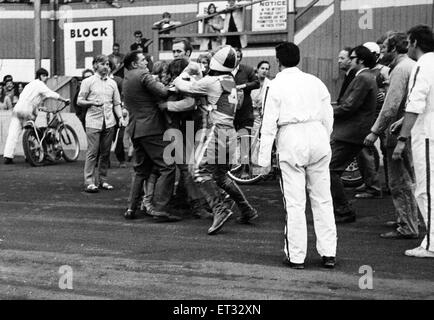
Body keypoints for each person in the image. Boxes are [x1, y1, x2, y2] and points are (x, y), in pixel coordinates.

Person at [257, 42, 336, 269]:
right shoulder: (315, 82)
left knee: (295, 202)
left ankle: (297, 256)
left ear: (278, 61)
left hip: (291, 139)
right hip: (317, 136)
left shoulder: (275, 85)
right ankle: (329, 252)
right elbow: (328, 115)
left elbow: (268, 124)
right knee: (322, 199)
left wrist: (263, 161)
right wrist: (324, 137)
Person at [174, 45, 258, 235]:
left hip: (215, 130)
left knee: (197, 170)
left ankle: (219, 209)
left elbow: (182, 85)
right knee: (221, 176)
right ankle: (246, 209)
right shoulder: (230, 80)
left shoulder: (211, 81)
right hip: (229, 131)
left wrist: (187, 71)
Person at [364, 32, 419, 239]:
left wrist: (374, 131)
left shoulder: (400, 69)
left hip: (398, 132)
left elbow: (391, 106)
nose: (381, 53)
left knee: (399, 181)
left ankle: (407, 226)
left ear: (394, 49)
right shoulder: (413, 66)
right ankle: (407, 220)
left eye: (385, 48)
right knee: (409, 178)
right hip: (411, 129)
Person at [122, 50, 180, 223]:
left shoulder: (126, 79)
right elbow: (162, 92)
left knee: (140, 170)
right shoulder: (143, 75)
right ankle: (161, 208)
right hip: (151, 128)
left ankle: (131, 207)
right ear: (134, 63)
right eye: (143, 60)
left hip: (135, 129)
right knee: (168, 166)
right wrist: (174, 85)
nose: (147, 63)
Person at [392, 25, 434, 258]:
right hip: (429, 126)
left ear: (415, 42)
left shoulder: (423, 64)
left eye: (408, 42)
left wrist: (401, 139)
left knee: (425, 190)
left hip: (427, 134)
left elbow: (416, 102)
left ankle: (432, 244)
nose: (407, 47)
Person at [330, 45, 378, 223]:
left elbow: (349, 106)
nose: (349, 59)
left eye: (352, 57)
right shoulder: (366, 77)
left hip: (350, 133)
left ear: (361, 60)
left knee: (330, 170)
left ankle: (343, 210)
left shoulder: (363, 78)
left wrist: (327, 111)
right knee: (332, 170)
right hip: (353, 132)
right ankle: (341, 209)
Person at [77, 55, 125, 193]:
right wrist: (92, 102)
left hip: (109, 122)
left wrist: (120, 117)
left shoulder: (112, 83)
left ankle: (102, 180)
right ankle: (89, 181)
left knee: (105, 153)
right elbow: (80, 101)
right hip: (93, 121)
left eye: (108, 64)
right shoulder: (88, 81)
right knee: (92, 153)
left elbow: (116, 103)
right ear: (95, 65)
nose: (106, 67)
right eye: (103, 64)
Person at [3, 68, 69, 164]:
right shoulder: (39, 84)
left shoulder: (29, 85)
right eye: (45, 76)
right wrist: (64, 100)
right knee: (32, 133)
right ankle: (30, 155)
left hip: (18, 108)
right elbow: (50, 94)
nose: (46, 78)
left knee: (13, 133)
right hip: (28, 109)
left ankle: (8, 156)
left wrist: (40, 108)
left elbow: (32, 98)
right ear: (41, 76)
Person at [250, 60, 271, 134]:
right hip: (250, 113)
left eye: (266, 69)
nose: (264, 71)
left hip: (263, 115)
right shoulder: (251, 81)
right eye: (262, 68)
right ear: (258, 69)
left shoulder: (270, 84)